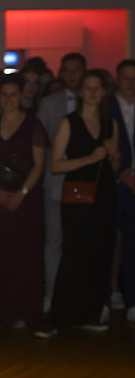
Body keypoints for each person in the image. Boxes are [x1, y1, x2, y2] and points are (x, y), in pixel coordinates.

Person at [36, 70, 120, 337]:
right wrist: (90, 158)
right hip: (77, 193)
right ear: (81, 92)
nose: (93, 92)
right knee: (73, 252)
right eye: (88, 88)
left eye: (98, 88)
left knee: (100, 253)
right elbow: (55, 164)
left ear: (104, 92)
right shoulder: (69, 122)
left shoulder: (110, 123)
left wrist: (114, 154)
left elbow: (114, 164)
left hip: (104, 193)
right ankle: (58, 317)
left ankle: (89, 314)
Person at [0, 74, 47, 329]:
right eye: (4, 94)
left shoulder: (33, 125)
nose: (9, 99)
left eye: (14, 94)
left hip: (26, 200)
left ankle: (19, 311)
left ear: (22, 96)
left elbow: (39, 165)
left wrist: (22, 193)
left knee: (23, 256)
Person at [37, 52, 87, 313]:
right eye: (66, 70)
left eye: (76, 70)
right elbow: (44, 148)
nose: (71, 75)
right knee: (54, 241)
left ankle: (81, 296)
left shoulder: (98, 101)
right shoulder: (48, 103)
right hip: (56, 180)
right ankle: (51, 294)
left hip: (88, 181)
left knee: (81, 241)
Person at [111, 59, 135, 323]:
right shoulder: (108, 107)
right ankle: (106, 299)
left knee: (132, 245)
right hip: (115, 184)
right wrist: (122, 173)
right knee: (108, 245)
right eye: (126, 78)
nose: (131, 83)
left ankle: (132, 301)